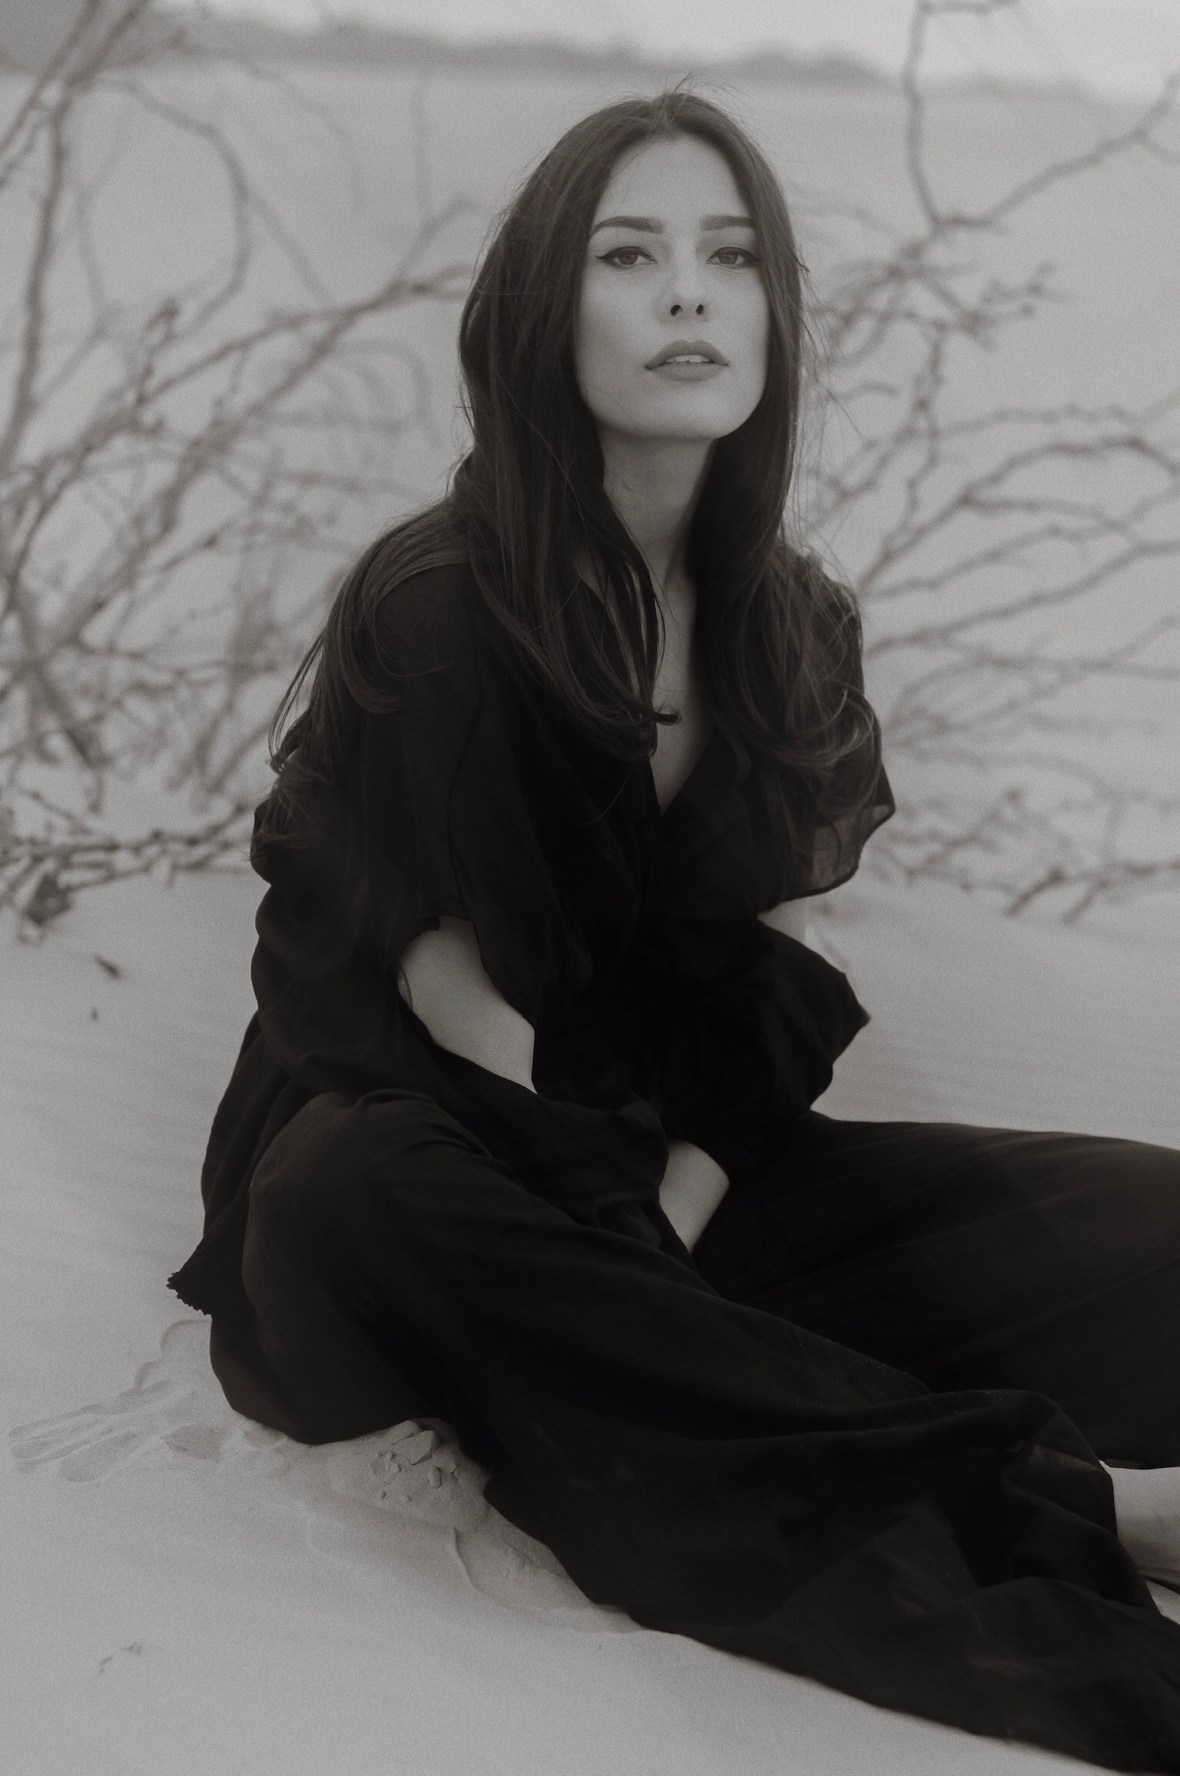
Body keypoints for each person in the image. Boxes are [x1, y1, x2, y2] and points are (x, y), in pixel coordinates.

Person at [168, 92, 1180, 1769]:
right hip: (419, 1201)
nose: (691, 293)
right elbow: (407, 1002)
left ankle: (689, 1367)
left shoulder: (793, 629)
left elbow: (752, 997)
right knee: (369, 1173)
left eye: (731, 256)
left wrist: (679, 1218)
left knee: (1147, 1222)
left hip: (651, 1187)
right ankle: (1083, 1507)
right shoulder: (439, 605)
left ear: (776, 314)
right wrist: (623, 1224)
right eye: (629, 256)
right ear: (545, 312)